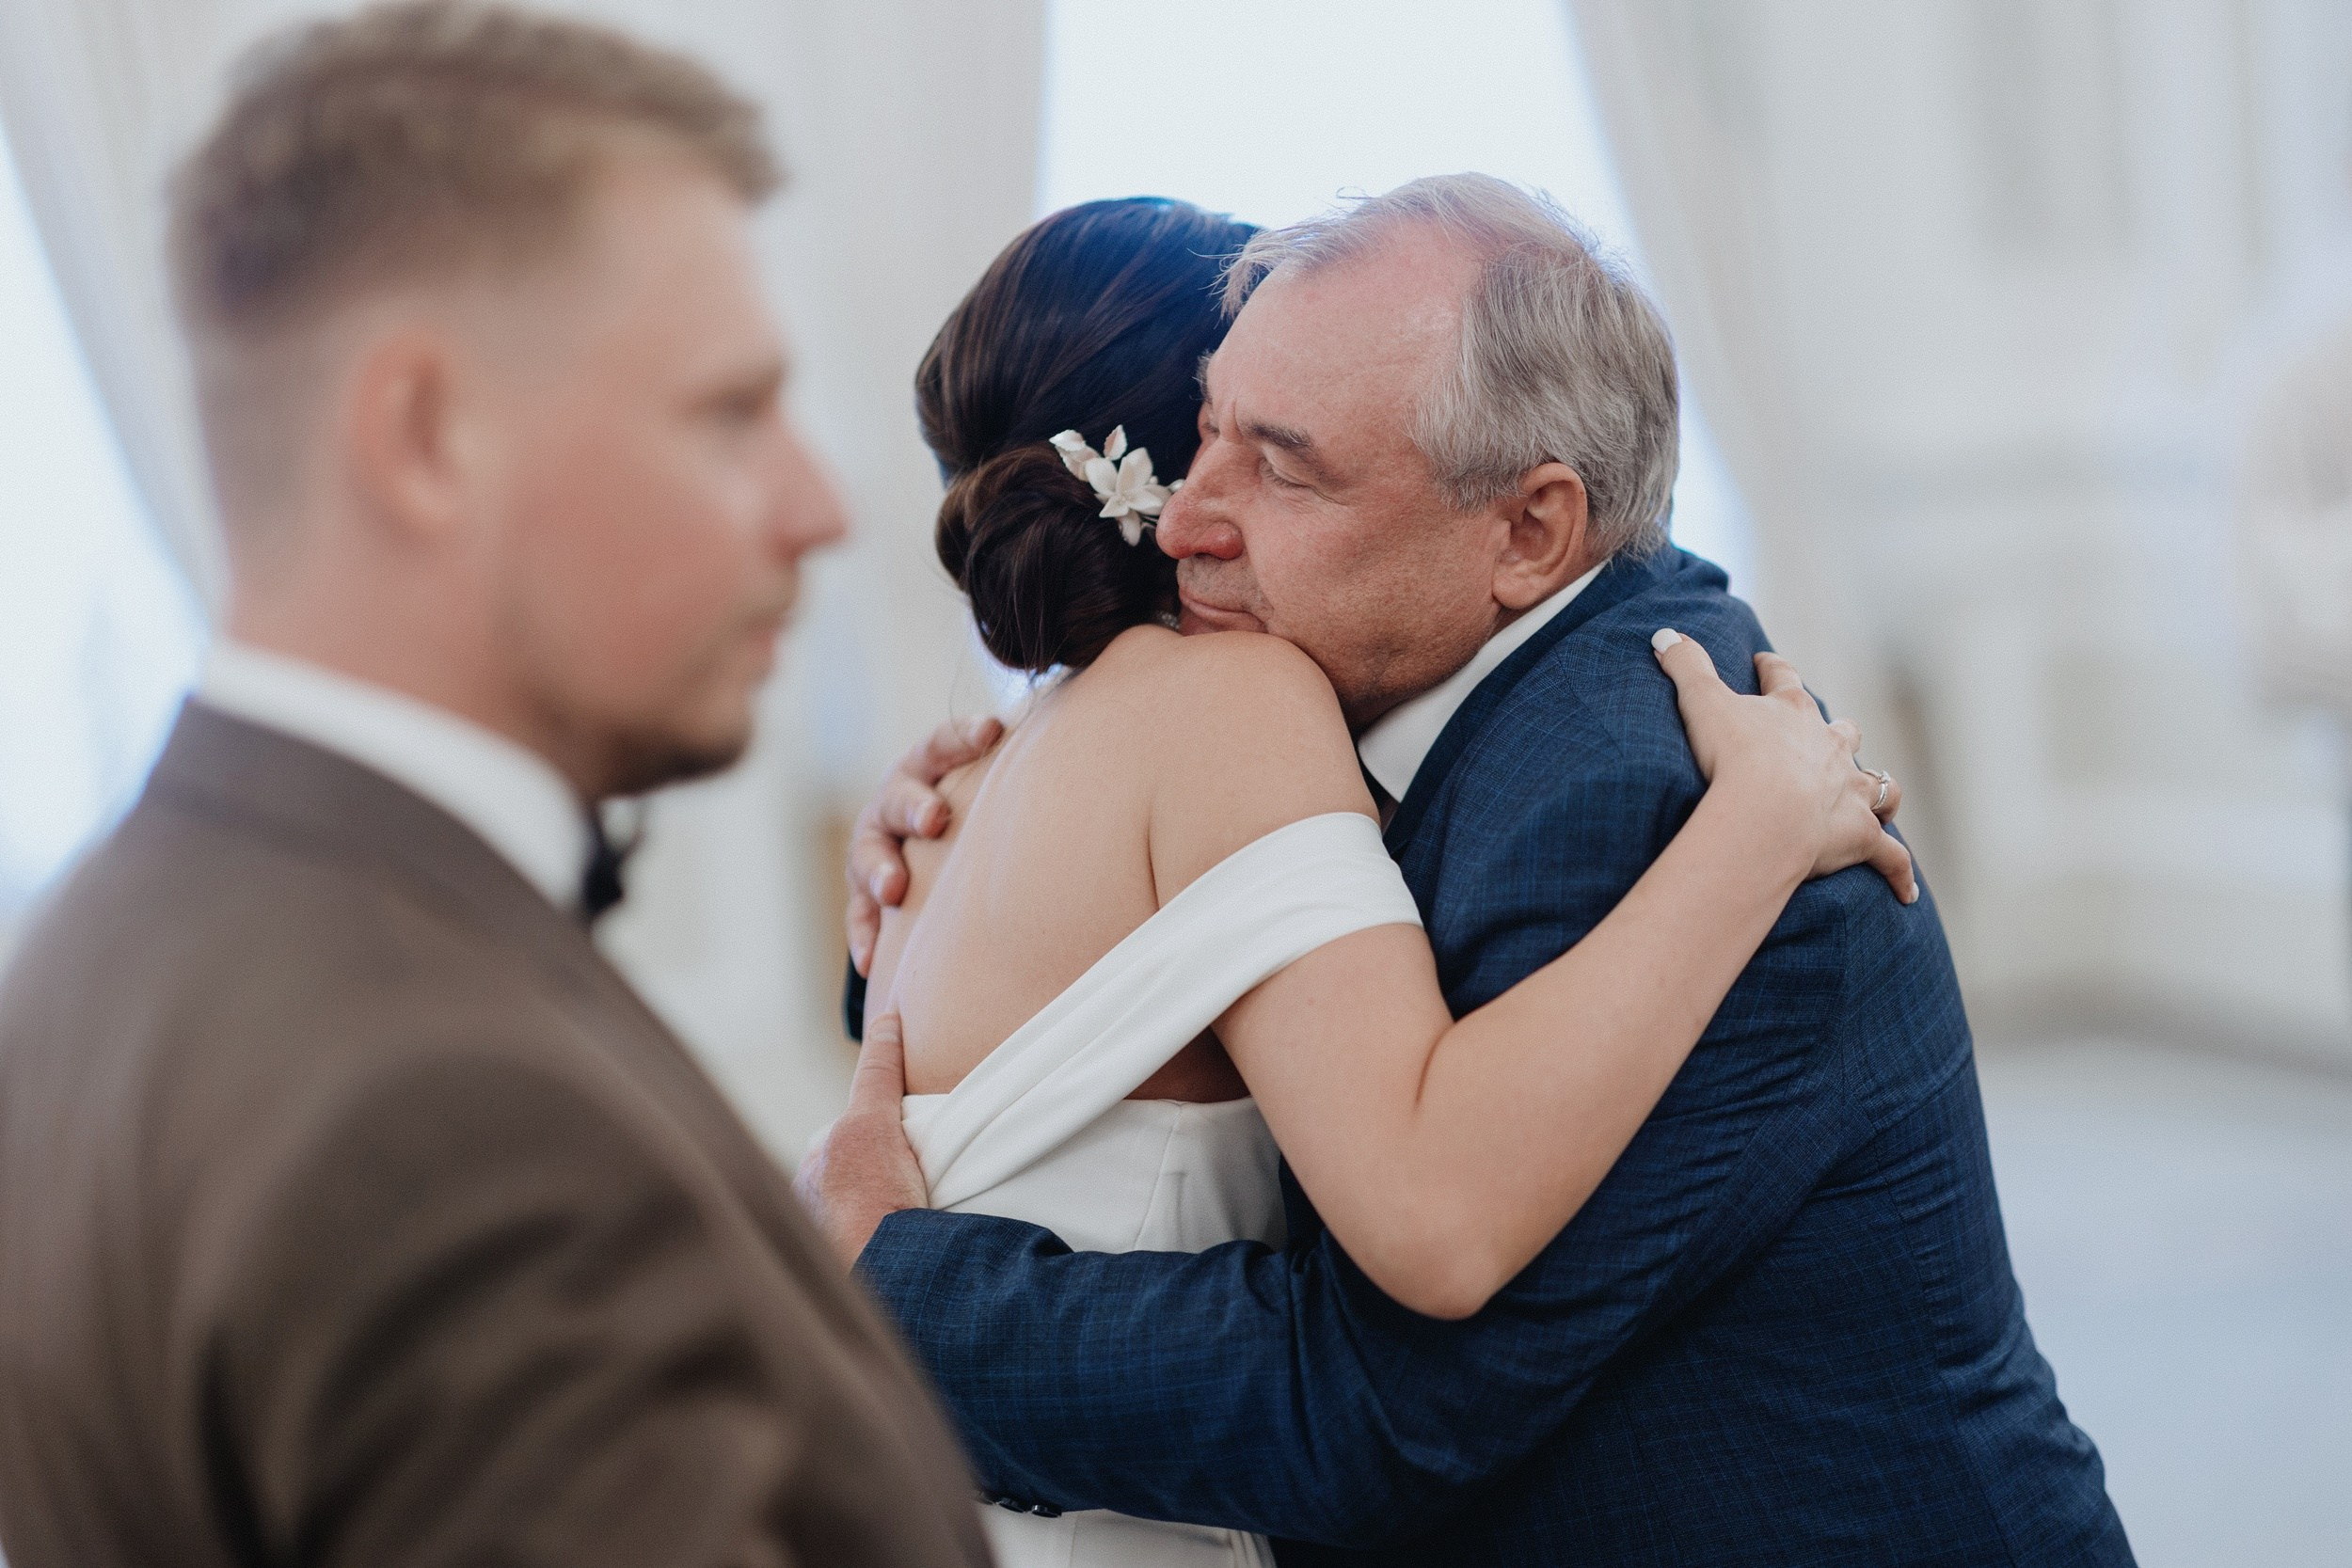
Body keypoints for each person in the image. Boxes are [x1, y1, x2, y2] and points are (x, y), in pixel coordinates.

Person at [809, 178, 2135, 1565]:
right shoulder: (1314, 708)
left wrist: (888, 1288)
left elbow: (1377, 1411)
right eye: (1205, 433)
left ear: (1528, 532)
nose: (1189, 519)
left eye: (1282, 464)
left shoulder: (1643, 803)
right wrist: (943, 854)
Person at [0, 7, 988, 1566]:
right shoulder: (439, 1121)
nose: (818, 505)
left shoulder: (99, 948)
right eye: (730, 412)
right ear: (424, 435)